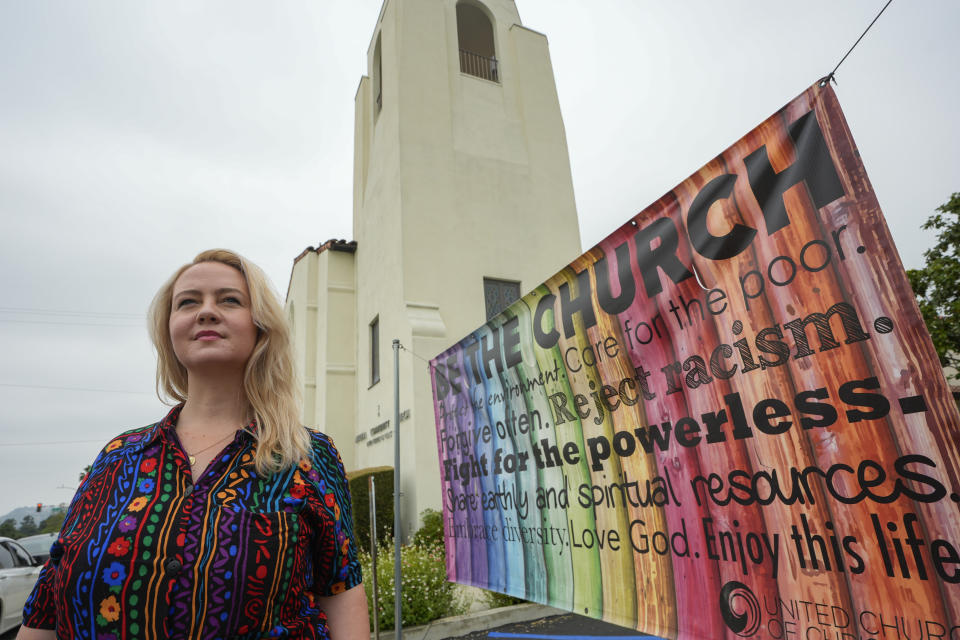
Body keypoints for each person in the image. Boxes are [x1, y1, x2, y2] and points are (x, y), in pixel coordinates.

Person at [19, 249, 369, 640]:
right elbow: (48, 601)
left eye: (229, 300)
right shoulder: (118, 456)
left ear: (261, 327)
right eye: (188, 302)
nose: (205, 311)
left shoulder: (308, 454)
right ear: (169, 329)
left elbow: (340, 591)